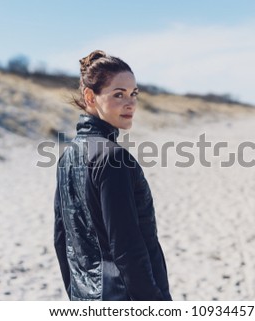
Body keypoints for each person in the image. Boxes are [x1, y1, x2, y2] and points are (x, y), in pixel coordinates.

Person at [53, 50, 172, 301]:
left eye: (133, 94)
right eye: (118, 94)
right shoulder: (112, 158)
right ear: (90, 96)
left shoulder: (67, 156)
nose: (130, 103)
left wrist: (76, 294)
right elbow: (127, 249)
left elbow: (62, 241)